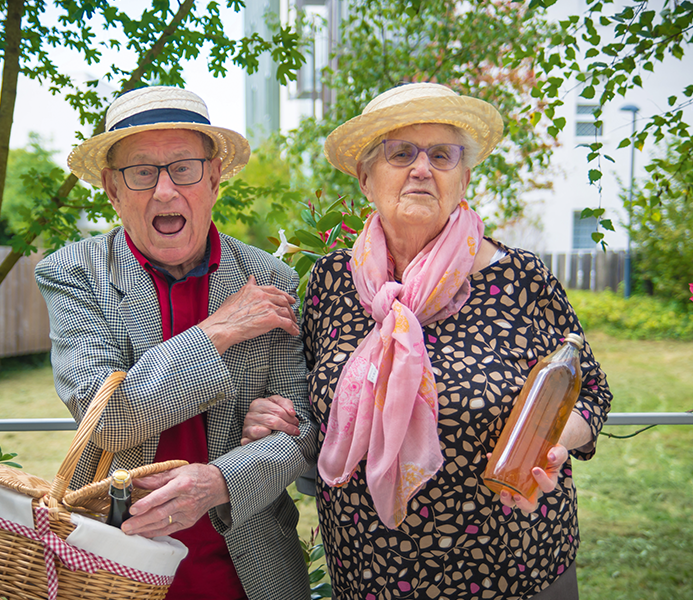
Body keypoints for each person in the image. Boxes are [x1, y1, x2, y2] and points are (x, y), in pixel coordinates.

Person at [240, 83, 612, 599]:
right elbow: (311, 402)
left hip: (514, 572)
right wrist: (276, 416)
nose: (422, 168)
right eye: (401, 153)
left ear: (463, 178)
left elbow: (589, 392)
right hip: (370, 574)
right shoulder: (330, 283)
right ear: (366, 179)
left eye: (442, 155)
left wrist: (549, 445)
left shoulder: (522, 278)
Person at [35, 86, 317, 600]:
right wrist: (218, 331)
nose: (165, 191)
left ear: (213, 179)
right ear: (111, 189)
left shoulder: (270, 278)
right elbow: (109, 418)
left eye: (184, 167)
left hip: (251, 571)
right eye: (141, 172)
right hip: (115, 565)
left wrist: (220, 481)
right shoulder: (72, 273)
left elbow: (303, 427)